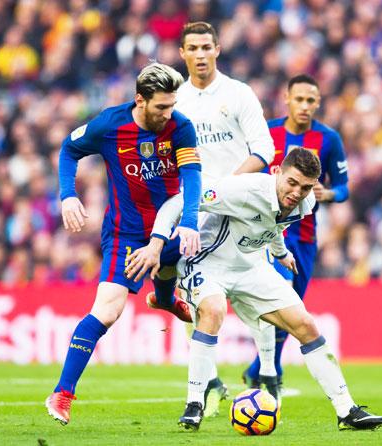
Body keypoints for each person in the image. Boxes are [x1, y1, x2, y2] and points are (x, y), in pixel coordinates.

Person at [125, 148, 382, 432]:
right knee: (214, 310)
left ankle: (346, 410)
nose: (297, 192)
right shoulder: (241, 190)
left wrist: (281, 252)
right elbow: (177, 203)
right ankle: (194, 404)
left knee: (306, 325)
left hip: (252, 267)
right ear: (276, 173)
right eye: (292, 182)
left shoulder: (306, 202)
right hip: (208, 262)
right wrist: (156, 243)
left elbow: (274, 225)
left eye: (305, 187)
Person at [45, 63, 202, 426]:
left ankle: (164, 299)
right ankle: (63, 393)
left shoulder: (181, 126)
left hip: (175, 225)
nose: (168, 113)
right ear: (140, 100)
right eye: (161, 106)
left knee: (174, 269)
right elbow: (69, 150)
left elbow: (193, 176)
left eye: (172, 104)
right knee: (109, 310)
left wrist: (190, 222)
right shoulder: (109, 125)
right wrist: (68, 195)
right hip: (126, 234)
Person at [146, 21, 276, 417]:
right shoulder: (175, 100)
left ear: (218, 49)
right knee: (200, 298)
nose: (200, 54)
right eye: (193, 48)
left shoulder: (239, 94)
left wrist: (226, 190)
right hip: (194, 214)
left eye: (206, 46)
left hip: (239, 211)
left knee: (260, 299)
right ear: (182, 54)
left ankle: (269, 373)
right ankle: (204, 388)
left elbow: (264, 149)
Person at [243, 74, 350, 393]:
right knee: (282, 298)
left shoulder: (328, 139)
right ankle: (269, 372)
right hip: (268, 233)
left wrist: (326, 194)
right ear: (287, 98)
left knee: (294, 309)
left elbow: (344, 188)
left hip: (304, 235)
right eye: (299, 99)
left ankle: (257, 369)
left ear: (318, 103)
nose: (304, 106)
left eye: (311, 100)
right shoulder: (267, 132)